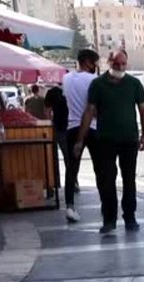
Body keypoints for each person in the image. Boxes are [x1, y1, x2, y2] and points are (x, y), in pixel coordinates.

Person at [75, 49, 144, 235]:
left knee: (129, 179)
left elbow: (143, 110)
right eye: (117, 64)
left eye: (124, 64)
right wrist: (79, 140)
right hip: (105, 140)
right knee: (107, 181)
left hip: (129, 140)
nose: (121, 67)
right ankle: (109, 219)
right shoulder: (98, 85)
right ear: (109, 62)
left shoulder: (134, 84)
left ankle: (130, 217)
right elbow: (89, 111)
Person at [62, 49, 100, 223]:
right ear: (87, 62)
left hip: (72, 127)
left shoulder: (66, 79)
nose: (95, 66)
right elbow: (96, 108)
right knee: (100, 168)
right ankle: (105, 203)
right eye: (94, 63)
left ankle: (69, 206)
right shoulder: (94, 80)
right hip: (92, 127)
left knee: (72, 169)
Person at [44, 83, 71, 198]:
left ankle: (53, 185)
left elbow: (47, 111)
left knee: (53, 158)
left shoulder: (51, 92)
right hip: (68, 128)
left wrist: (51, 123)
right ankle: (72, 183)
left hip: (57, 128)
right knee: (68, 158)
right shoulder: (71, 90)